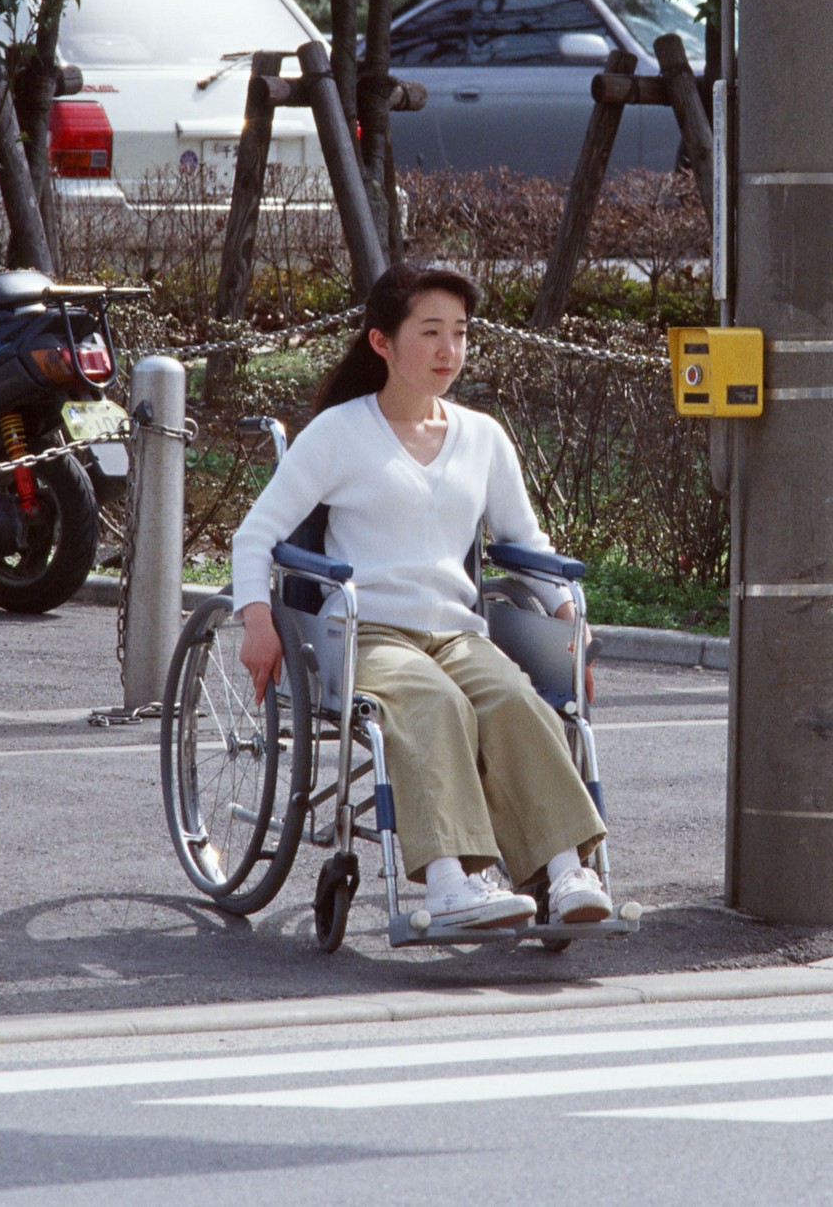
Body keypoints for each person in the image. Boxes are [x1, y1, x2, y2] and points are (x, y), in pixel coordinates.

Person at [230, 262, 612, 931]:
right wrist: (256, 620)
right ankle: (449, 881)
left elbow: (527, 539)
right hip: (369, 630)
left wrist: (564, 616)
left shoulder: (482, 436)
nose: (448, 351)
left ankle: (564, 868)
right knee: (434, 703)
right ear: (382, 341)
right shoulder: (339, 432)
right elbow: (255, 535)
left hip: (458, 632)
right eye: (431, 332)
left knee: (516, 701)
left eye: (460, 334)